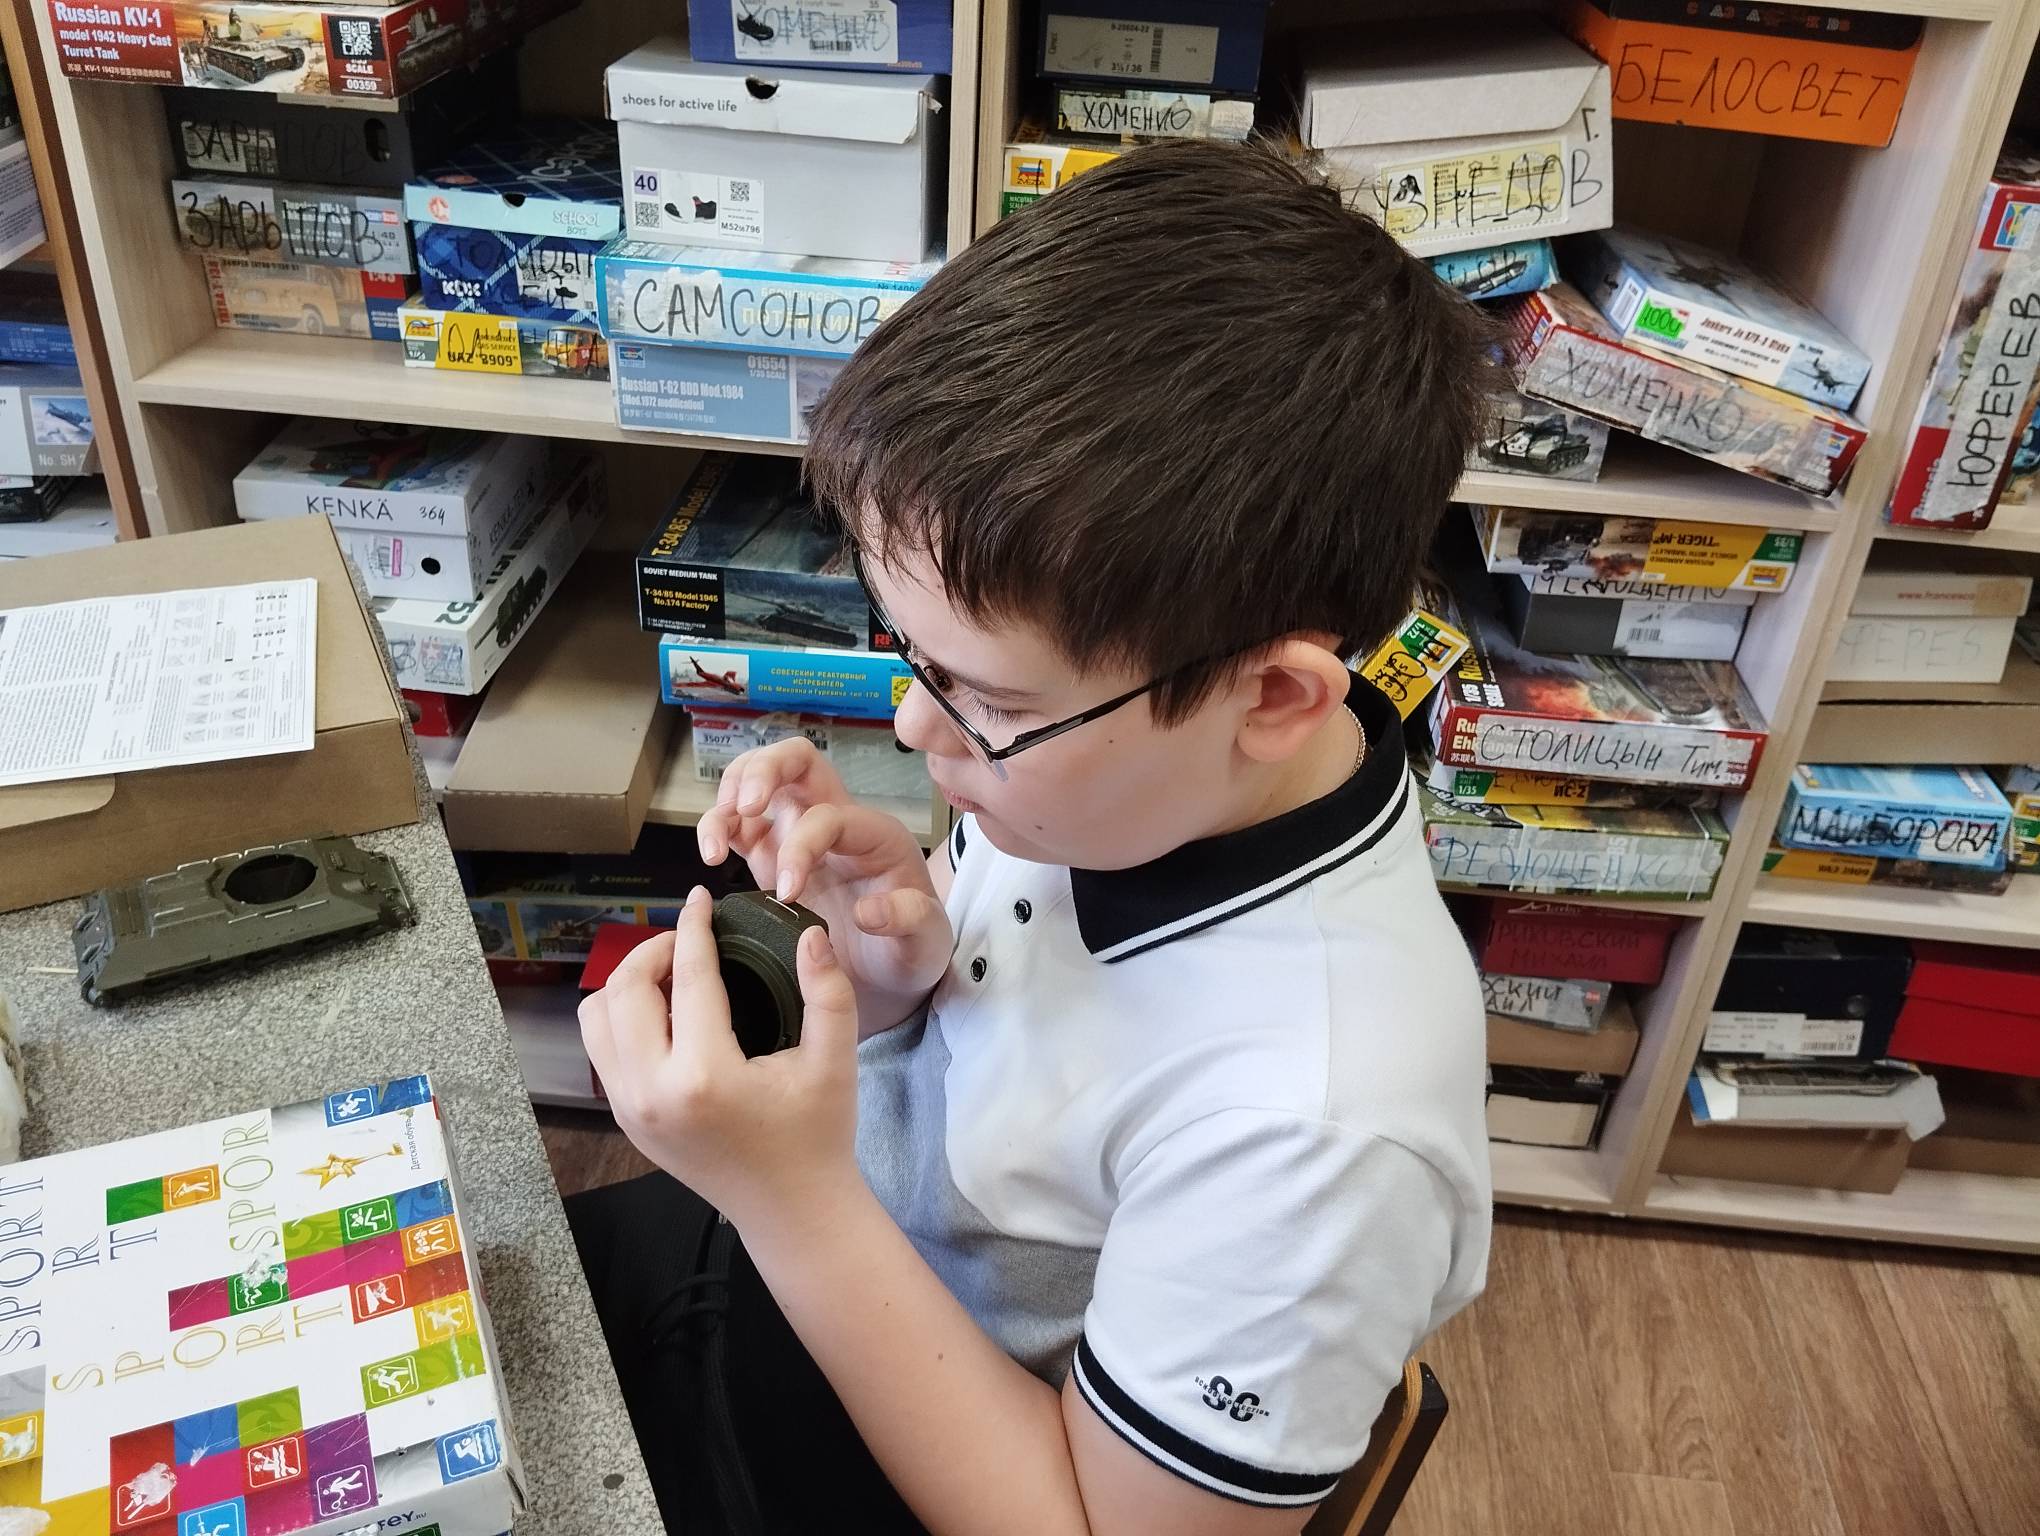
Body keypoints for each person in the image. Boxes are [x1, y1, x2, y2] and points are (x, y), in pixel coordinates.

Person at [567, 139, 1495, 1536]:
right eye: (913, 657)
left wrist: (790, 1196)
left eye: (986, 701)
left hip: (880, 1425)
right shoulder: (1149, 771)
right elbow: (1016, 1038)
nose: (915, 726)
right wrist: (896, 966)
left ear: (1273, 698)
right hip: (814, 1258)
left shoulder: (1317, 1132)